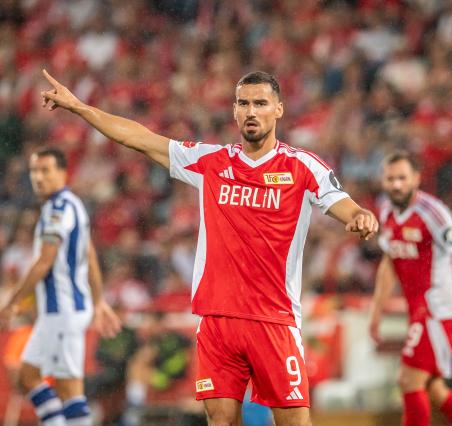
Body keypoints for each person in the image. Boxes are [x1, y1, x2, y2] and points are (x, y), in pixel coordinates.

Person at [40, 69, 378, 426]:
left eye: (260, 103)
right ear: (233, 110)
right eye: (243, 103)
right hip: (217, 321)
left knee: (295, 423)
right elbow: (141, 139)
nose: (251, 111)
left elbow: (343, 203)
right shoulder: (211, 162)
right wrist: (79, 107)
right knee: (220, 421)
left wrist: (360, 216)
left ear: (278, 109)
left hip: (273, 319)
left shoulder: (301, 166)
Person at [0, 148, 121, 426]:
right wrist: (98, 301)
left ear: (63, 173)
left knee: (69, 389)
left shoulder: (58, 208)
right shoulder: (72, 205)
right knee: (27, 376)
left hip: (63, 311)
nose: (38, 177)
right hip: (58, 314)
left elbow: (44, 262)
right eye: (34, 171)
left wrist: (13, 304)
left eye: (46, 170)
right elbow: (88, 254)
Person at [369, 151, 452, 426]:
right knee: (435, 391)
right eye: (391, 178)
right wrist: (376, 311)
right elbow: (388, 262)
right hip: (421, 309)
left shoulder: (433, 212)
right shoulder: (385, 210)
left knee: (408, 379)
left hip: (441, 306)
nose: (396, 185)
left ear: (416, 178)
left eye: (402, 178)